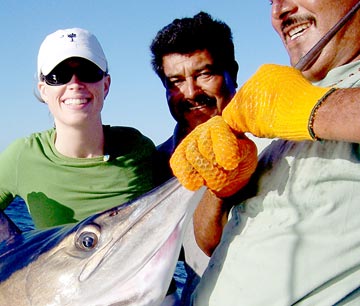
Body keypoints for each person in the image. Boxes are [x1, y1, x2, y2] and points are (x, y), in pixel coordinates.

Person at [170, 1, 360, 305]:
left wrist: (317, 109)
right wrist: (221, 189)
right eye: (271, 1)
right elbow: (208, 243)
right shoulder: (269, 104)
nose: (279, 11)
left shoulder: (295, 102)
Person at [150, 12, 258, 305]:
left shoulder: (277, 141)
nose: (191, 92)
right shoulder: (158, 165)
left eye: (203, 74)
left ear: (231, 72)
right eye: (175, 81)